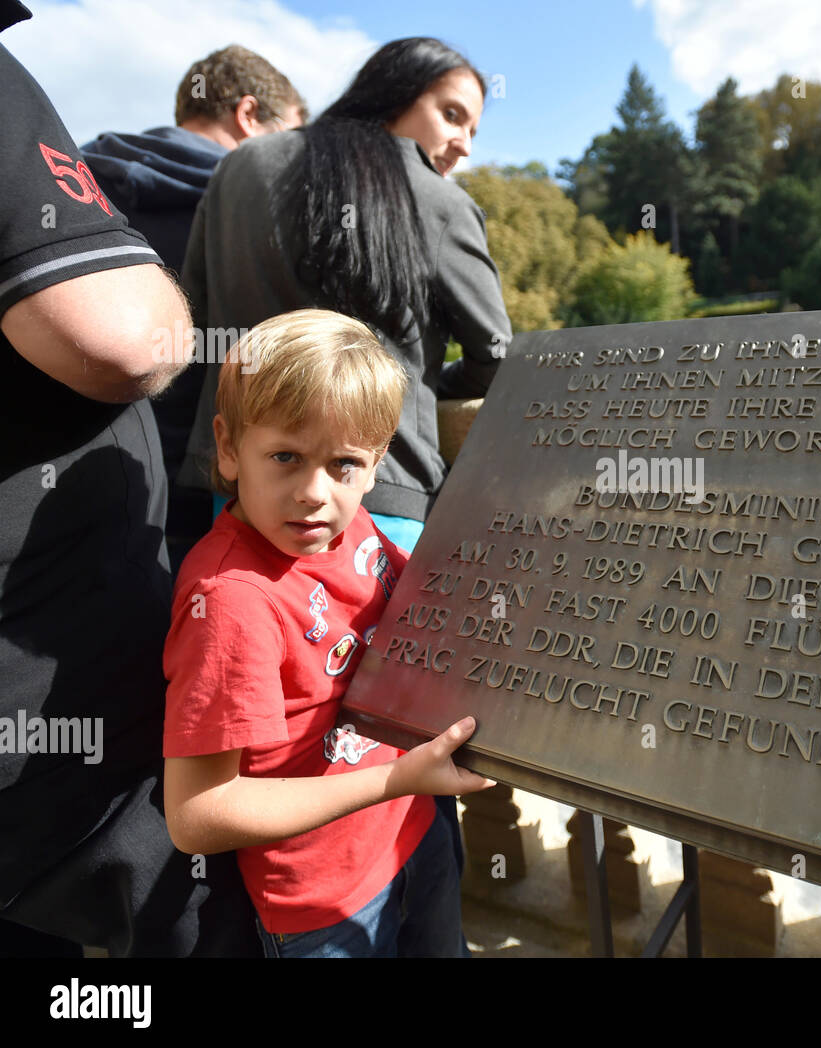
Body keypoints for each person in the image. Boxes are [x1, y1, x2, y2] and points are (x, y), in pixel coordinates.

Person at [0, 0, 260, 957]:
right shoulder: (249, 189)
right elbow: (120, 339)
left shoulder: (105, 162)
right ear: (247, 116)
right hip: (62, 704)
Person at [162, 309, 492, 957]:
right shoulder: (232, 601)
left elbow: (419, 616)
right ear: (228, 448)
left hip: (413, 832)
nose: (314, 493)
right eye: (285, 456)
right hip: (326, 900)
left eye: (343, 464)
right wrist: (397, 781)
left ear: (375, 466)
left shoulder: (353, 528)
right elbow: (196, 815)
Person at [178, 37, 512, 556]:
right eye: (451, 115)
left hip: (237, 497)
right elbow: (496, 357)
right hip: (376, 500)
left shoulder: (242, 166)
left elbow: (192, 327)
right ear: (396, 93)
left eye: (472, 129)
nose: (464, 144)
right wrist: (417, 384)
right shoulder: (441, 203)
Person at [81, 45, 305, 571]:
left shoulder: (71, 178)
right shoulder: (261, 216)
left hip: (49, 468)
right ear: (249, 115)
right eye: (291, 135)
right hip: (190, 490)